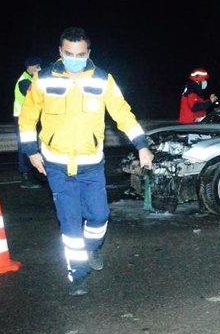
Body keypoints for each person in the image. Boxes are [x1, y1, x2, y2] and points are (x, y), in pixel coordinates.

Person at [18, 27, 154, 296]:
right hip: (56, 164)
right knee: (70, 223)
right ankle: (78, 273)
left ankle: (91, 249)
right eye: (69, 53)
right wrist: (31, 151)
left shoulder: (103, 80)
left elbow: (123, 114)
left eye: (80, 54)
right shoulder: (43, 79)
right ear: (60, 51)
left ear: (88, 53)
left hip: (91, 164)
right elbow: (28, 117)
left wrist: (142, 145)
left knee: (100, 216)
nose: (74, 59)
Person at [14, 56, 44, 188]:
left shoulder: (31, 79)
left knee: (29, 146)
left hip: (29, 118)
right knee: (25, 147)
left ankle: (31, 175)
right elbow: (37, 96)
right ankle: (25, 177)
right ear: (30, 67)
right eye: (37, 67)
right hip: (22, 118)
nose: (39, 69)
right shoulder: (24, 81)